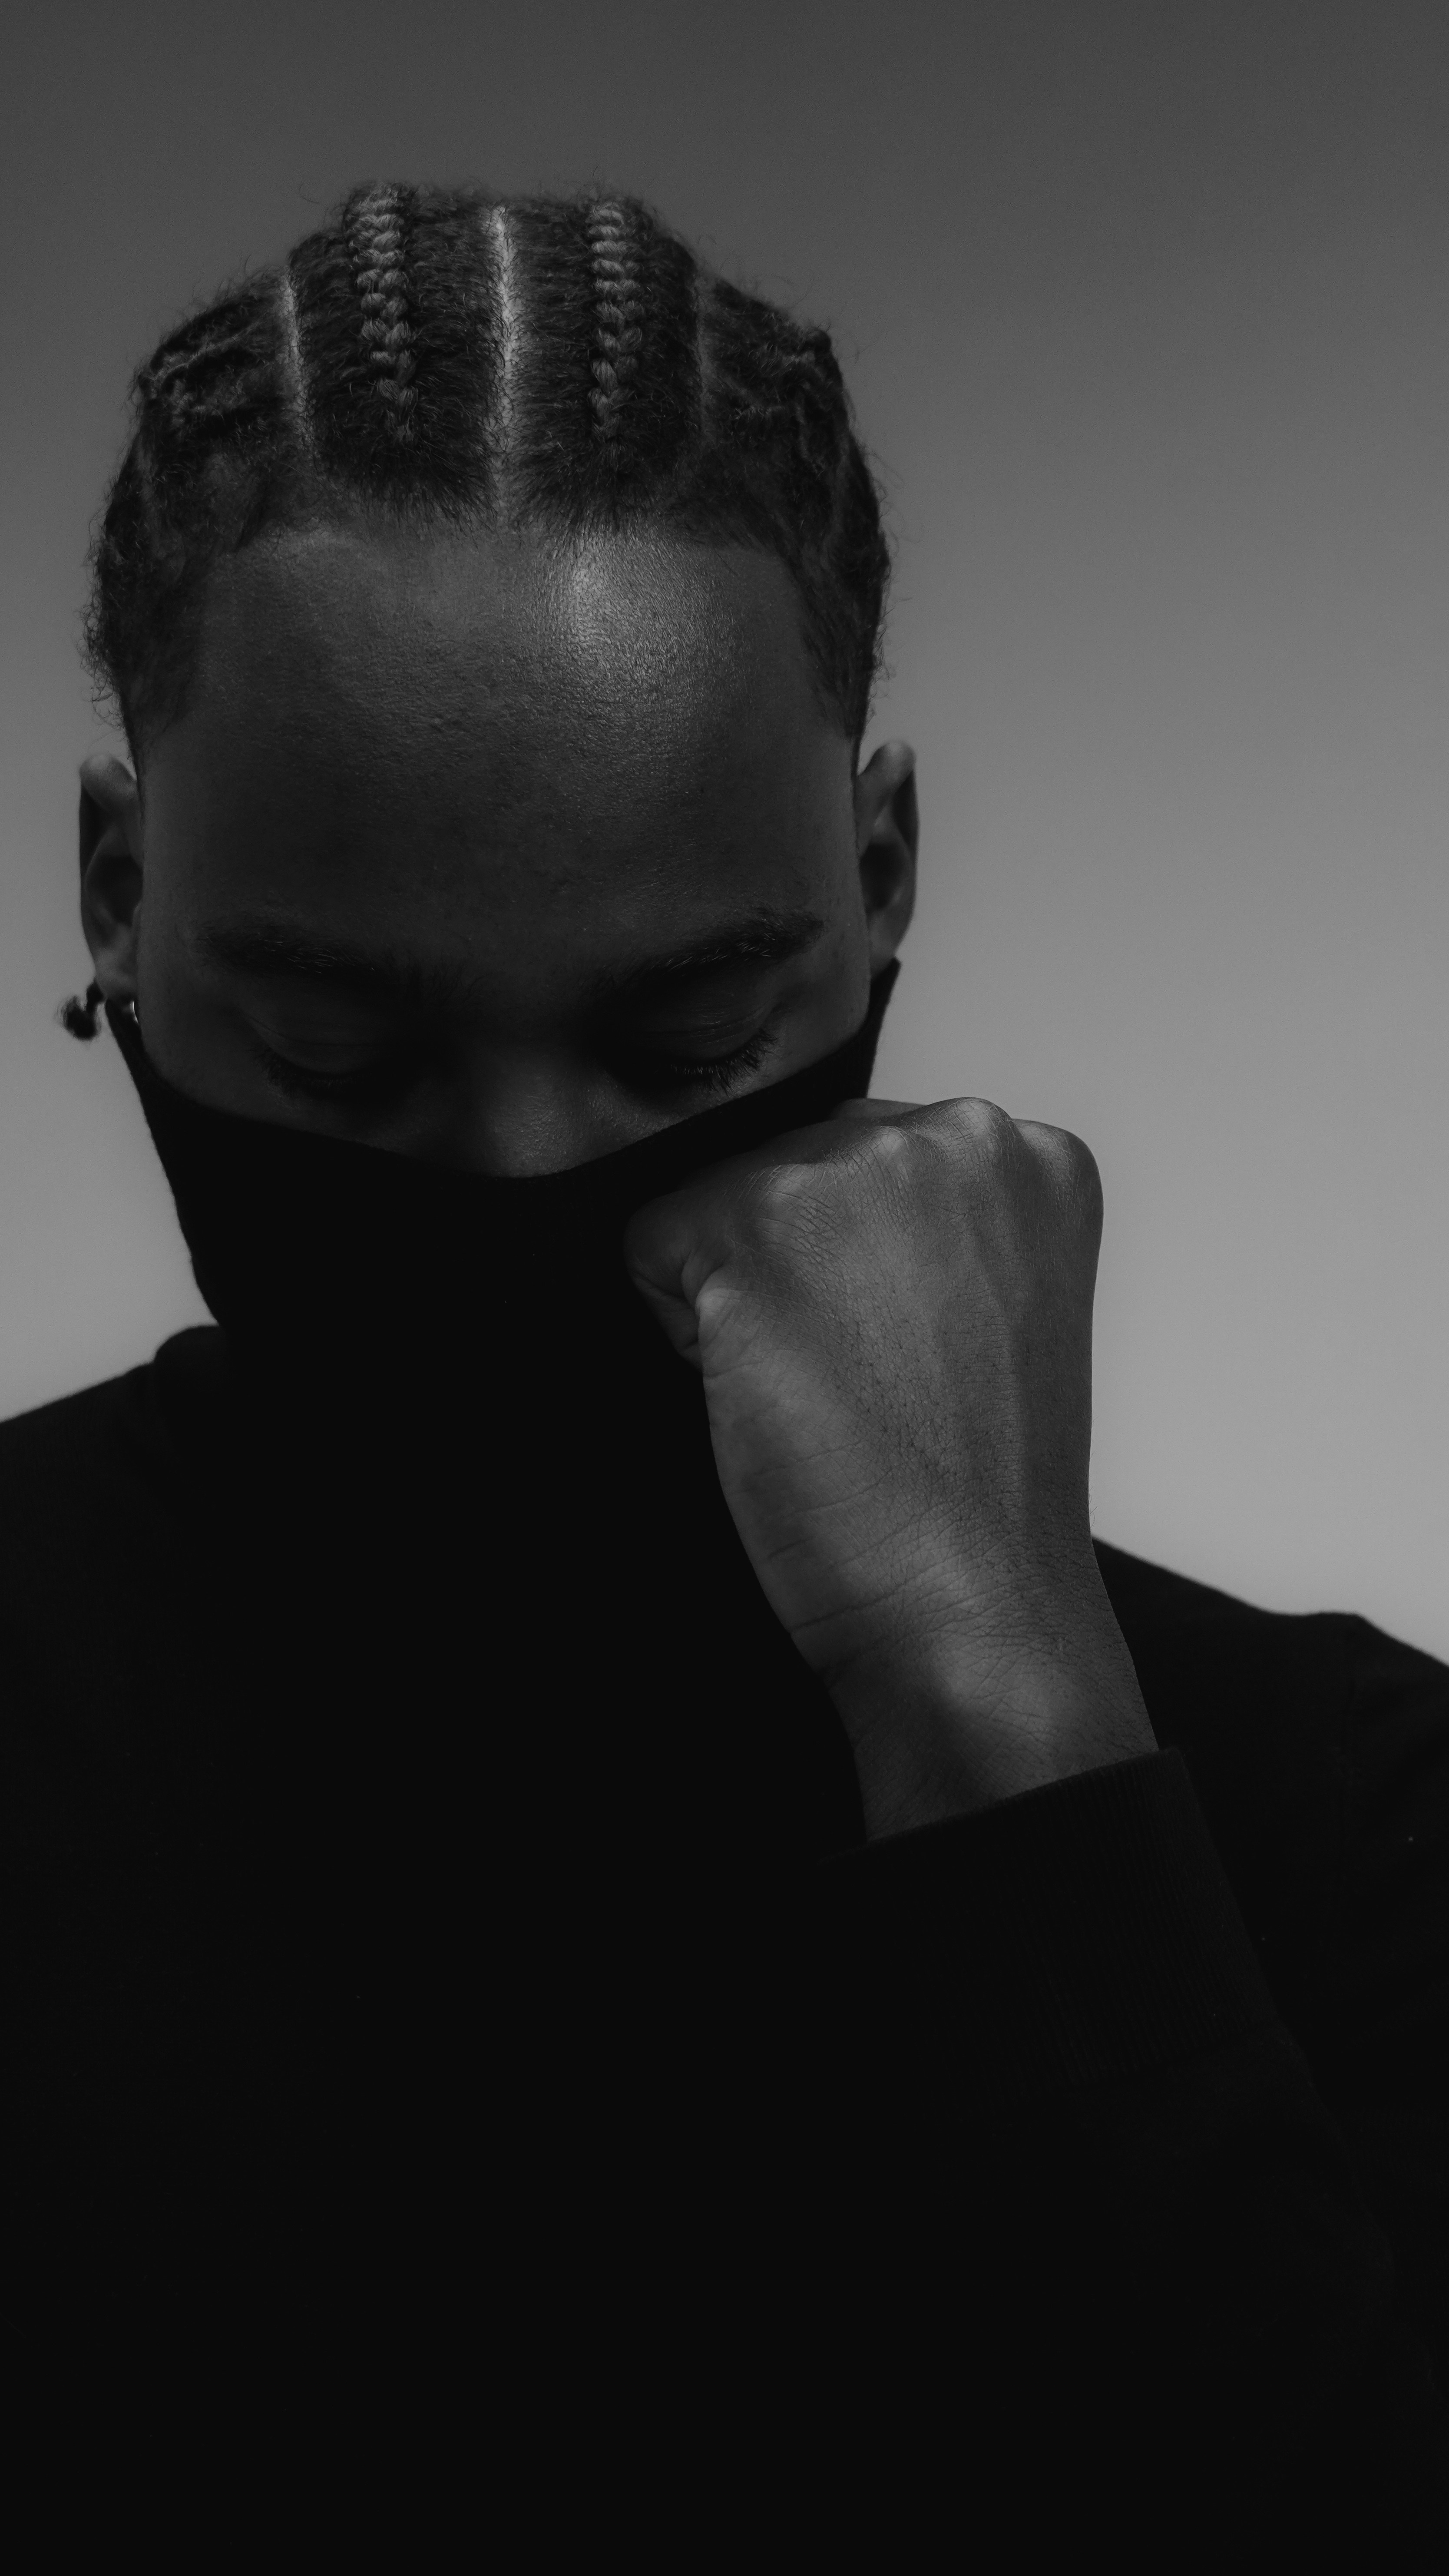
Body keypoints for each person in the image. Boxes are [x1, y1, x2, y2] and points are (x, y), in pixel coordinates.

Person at [7, 181, 1446, 2546]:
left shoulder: (1346, 1825)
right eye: (344, 1052)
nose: (521, 1173)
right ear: (113, 906)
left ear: (877, 886)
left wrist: (1007, 1732)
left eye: (686, 1040)